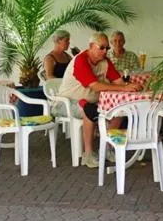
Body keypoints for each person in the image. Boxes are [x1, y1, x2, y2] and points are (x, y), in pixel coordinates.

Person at [58, 32, 139, 168]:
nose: (105, 51)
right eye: (101, 47)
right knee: (89, 109)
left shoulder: (105, 61)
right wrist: (124, 88)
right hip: (67, 101)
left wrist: (128, 86)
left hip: (92, 101)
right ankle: (88, 155)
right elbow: (94, 86)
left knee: (119, 108)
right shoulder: (81, 60)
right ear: (91, 46)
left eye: (107, 48)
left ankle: (106, 148)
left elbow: (118, 81)